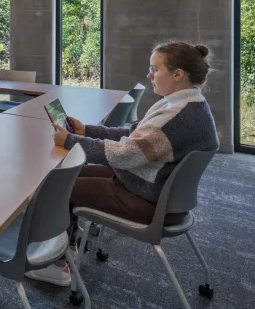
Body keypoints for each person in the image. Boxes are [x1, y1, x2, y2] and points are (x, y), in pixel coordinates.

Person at [27, 41, 220, 287]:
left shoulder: (176, 117)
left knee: (60, 187)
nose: (149, 75)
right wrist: (88, 130)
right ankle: (67, 248)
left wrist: (71, 140)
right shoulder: (185, 104)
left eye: (154, 69)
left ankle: (57, 265)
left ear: (178, 74)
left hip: (148, 199)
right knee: (66, 173)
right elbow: (133, 135)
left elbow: (125, 154)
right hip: (151, 187)